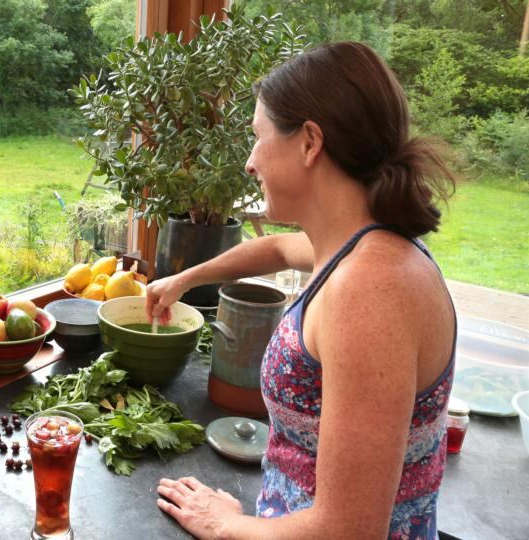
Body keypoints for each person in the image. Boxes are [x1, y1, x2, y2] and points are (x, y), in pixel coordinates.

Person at [148, 42, 457, 539]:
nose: (250, 163)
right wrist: (184, 279)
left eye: (258, 138)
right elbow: (276, 251)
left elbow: (349, 531)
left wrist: (227, 525)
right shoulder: (360, 245)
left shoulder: (369, 291)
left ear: (310, 142)